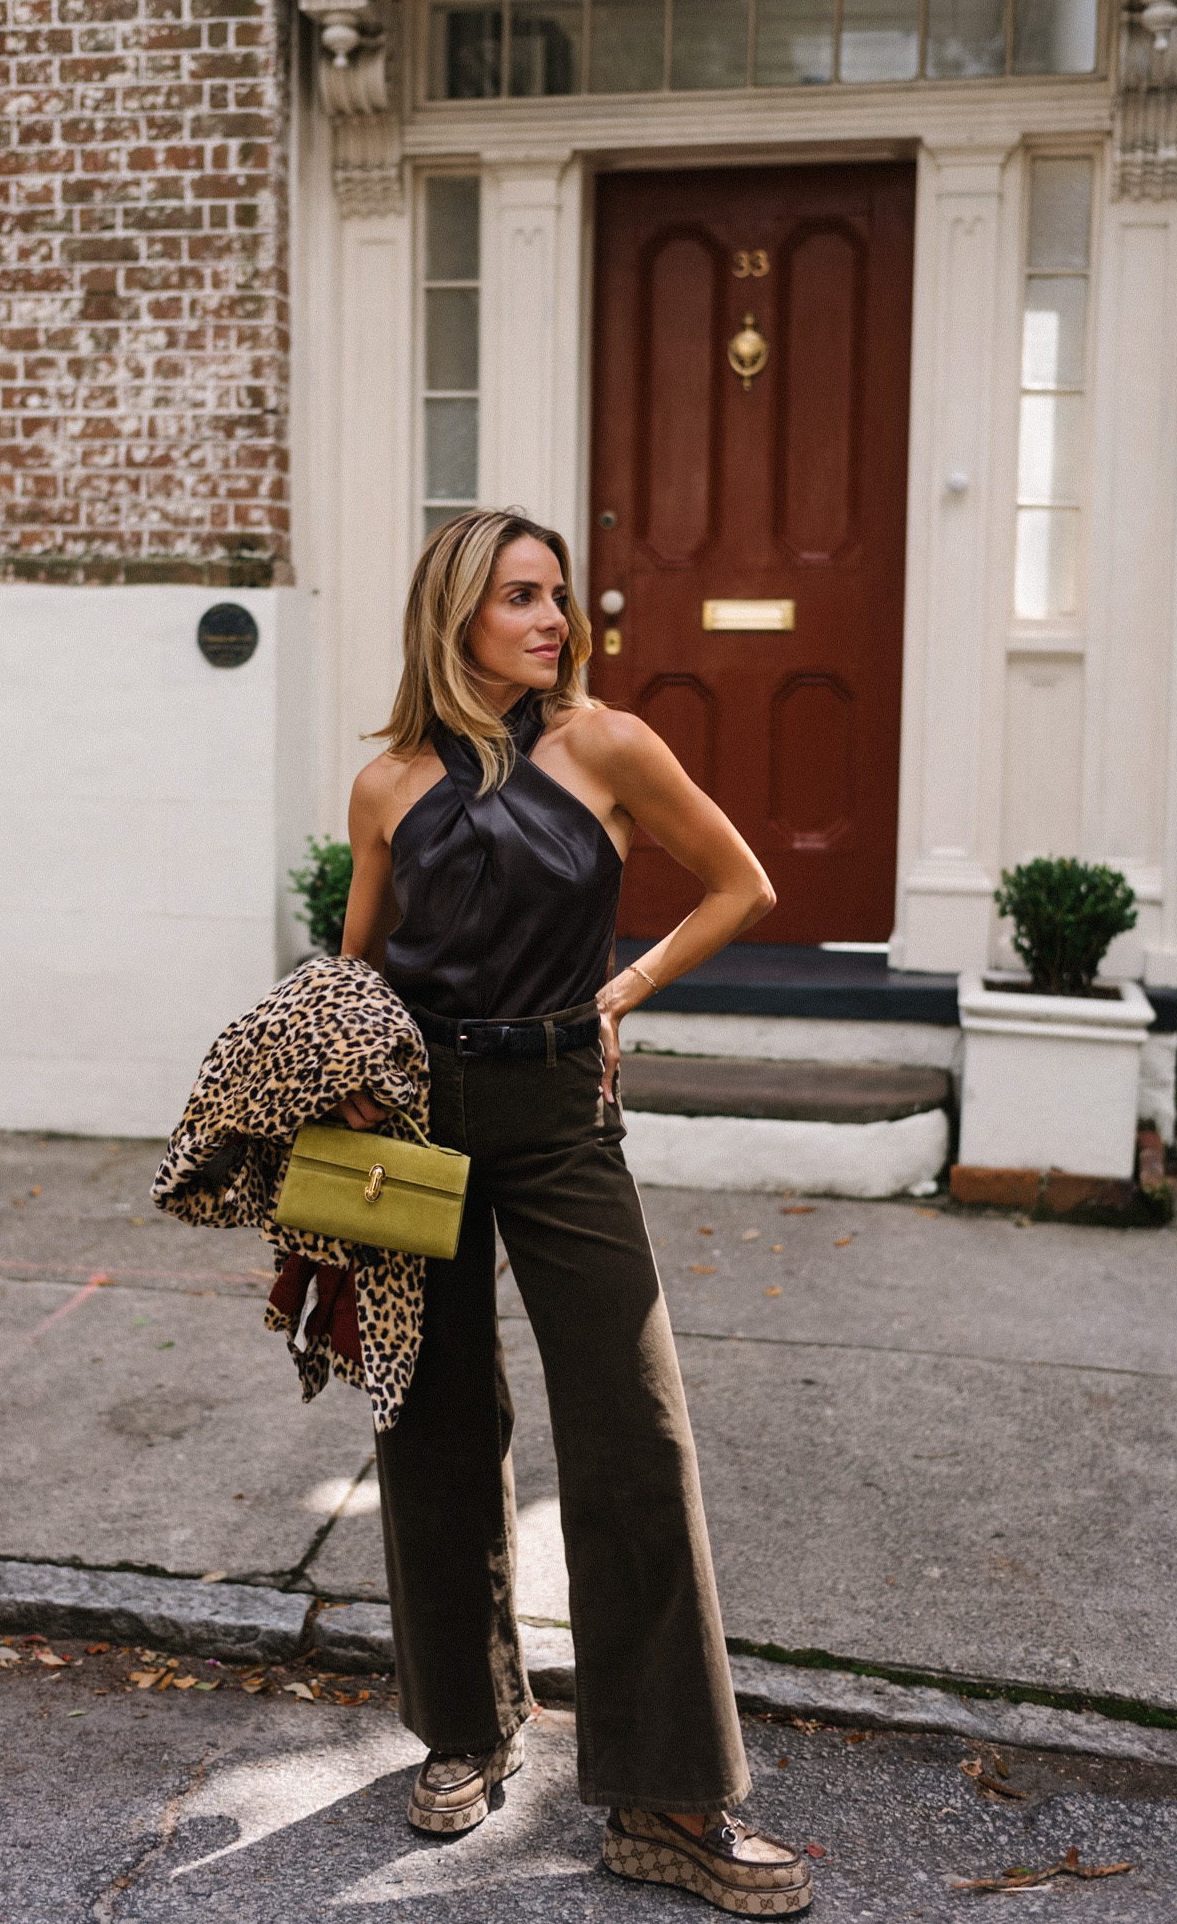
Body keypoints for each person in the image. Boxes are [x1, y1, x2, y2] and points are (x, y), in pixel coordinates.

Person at [338, 508, 813, 1916]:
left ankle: (668, 1798)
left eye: (557, 597)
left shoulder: (605, 746)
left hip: (557, 1115)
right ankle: (467, 1732)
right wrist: (343, 1079)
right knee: (428, 1420)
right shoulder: (385, 784)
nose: (555, 620)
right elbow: (359, 965)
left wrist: (626, 987)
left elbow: (742, 884)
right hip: (412, 1116)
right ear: (454, 616)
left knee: (632, 1430)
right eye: (521, 598)